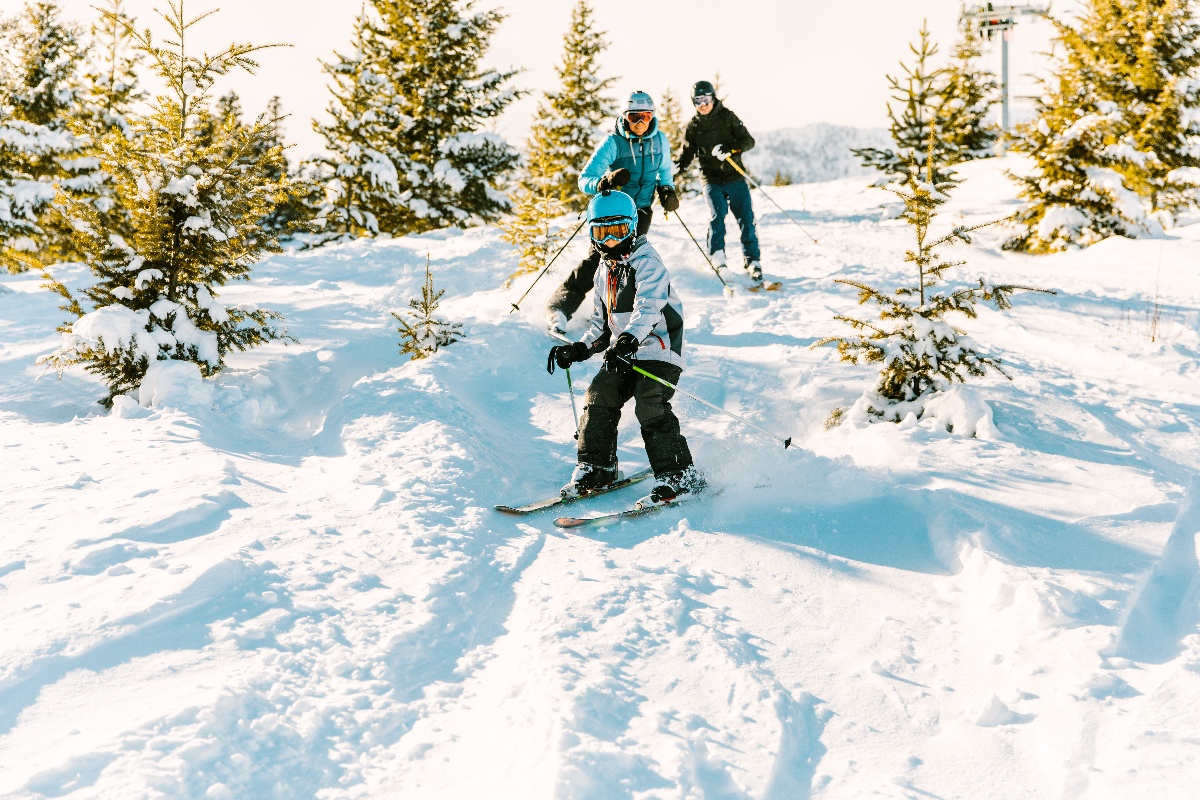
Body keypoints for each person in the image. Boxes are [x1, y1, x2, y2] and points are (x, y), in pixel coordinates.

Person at [546, 190, 704, 508]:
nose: (609, 242)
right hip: (623, 352)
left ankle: (678, 476)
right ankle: (596, 467)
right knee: (599, 394)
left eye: (616, 231)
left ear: (631, 228)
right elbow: (601, 326)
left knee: (649, 402)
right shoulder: (604, 269)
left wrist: (629, 340)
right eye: (600, 233)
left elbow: (649, 308)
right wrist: (579, 348)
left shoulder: (648, 262)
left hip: (658, 348)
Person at [547, 90, 679, 334]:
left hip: (641, 212)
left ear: (652, 117)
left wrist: (667, 189)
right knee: (598, 260)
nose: (640, 123)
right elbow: (584, 179)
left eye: (646, 116)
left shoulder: (660, 141)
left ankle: (618, 316)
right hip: (612, 213)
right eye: (634, 117)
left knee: (633, 263)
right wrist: (604, 181)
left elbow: (665, 171)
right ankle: (560, 308)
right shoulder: (613, 142)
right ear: (625, 117)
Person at [675, 80, 762, 283]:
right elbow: (686, 154)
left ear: (713, 98)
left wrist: (730, 149)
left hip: (734, 176)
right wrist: (675, 170)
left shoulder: (727, 117)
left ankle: (752, 260)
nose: (703, 104)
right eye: (698, 101)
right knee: (717, 215)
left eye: (706, 99)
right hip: (711, 178)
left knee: (745, 217)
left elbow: (748, 141)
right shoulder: (693, 126)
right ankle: (718, 256)